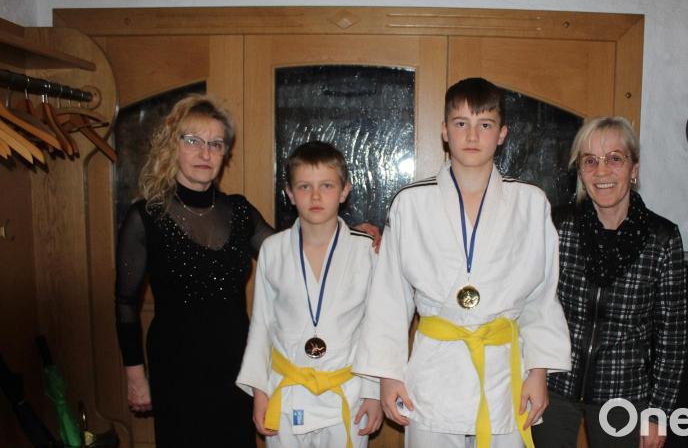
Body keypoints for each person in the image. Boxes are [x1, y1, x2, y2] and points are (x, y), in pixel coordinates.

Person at [115, 95, 381, 447]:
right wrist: (135, 375)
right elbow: (125, 302)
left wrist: (354, 235)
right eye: (193, 141)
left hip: (235, 364)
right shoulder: (146, 216)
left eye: (215, 144)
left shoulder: (239, 213)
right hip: (176, 366)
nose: (204, 153)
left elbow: (292, 253)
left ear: (224, 153)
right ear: (172, 145)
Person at [353, 77, 571, 448]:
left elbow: (541, 296)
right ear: (444, 131)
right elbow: (389, 298)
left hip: (504, 373)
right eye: (461, 123)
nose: (472, 135)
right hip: (435, 372)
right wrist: (386, 377)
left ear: (502, 134)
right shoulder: (411, 203)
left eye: (485, 124)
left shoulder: (530, 203)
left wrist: (539, 372)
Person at [530, 117, 686, 448]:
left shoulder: (662, 238)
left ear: (634, 169)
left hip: (624, 394)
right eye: (590, 161)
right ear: (581, 172)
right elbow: (533, 307)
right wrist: (532, 373)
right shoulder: (558, 226)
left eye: (615, 158)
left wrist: (658, 413)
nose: (602, 172)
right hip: (554, 386)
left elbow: (672, 337)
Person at [236, 141, 383, 448]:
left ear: (344, 191)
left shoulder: (365, 250)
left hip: (347, 394)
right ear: (290, 193)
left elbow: (376, 327)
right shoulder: (273, 250)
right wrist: (260, 391)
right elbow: (262, 325)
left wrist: (373, 393)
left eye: (326, 185)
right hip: (286, 392)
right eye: (304, 186)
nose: (315, 196)